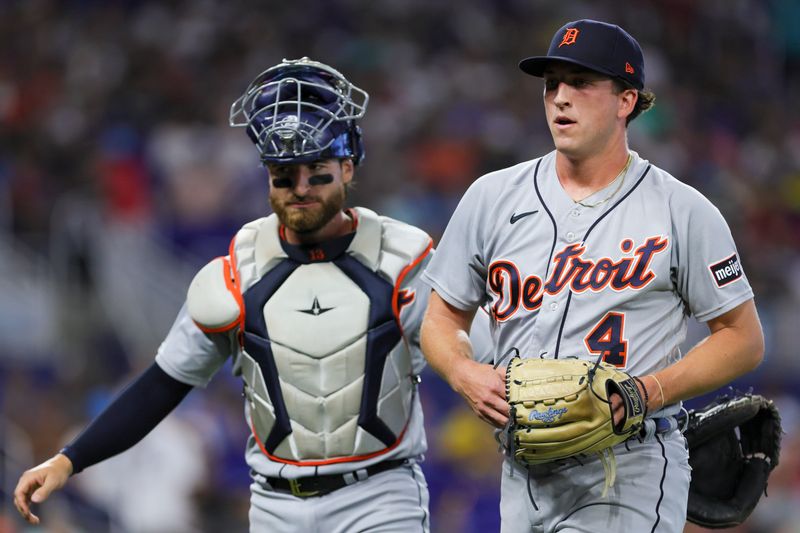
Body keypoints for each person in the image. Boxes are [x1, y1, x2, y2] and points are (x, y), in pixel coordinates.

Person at [14, 57, 437, 532]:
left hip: (379, 497)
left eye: (316, 170)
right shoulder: (239, 270)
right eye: (283, 173)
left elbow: (468, 357)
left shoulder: (402, 260)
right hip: (278, 506)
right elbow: (163, 384)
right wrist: (70, 459)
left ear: (347, 166)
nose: (300, 188)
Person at [419, 19, 765, 533]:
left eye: (580, 83)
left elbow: (743, 338)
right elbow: (440, 319)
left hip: (629, 465)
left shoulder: (682, 210)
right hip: (522, 468)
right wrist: (464, 373)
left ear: (626, 101)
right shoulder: (492, 197)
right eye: (551, 83)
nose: (560, 98)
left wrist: (649, 392)